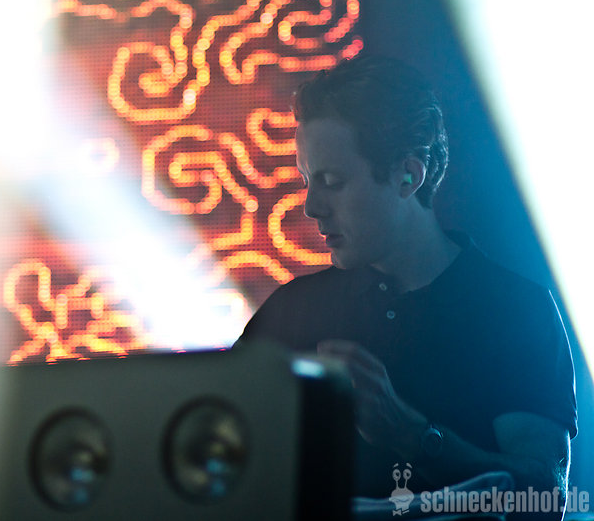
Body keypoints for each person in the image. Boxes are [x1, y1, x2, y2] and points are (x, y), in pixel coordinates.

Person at [238, 55, 577, 515]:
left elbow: (544, 499)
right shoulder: (291, 311)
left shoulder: (516, 309)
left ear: (408, 176)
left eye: (331, 181)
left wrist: (412, 435)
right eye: (306, 180)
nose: (311, 206)